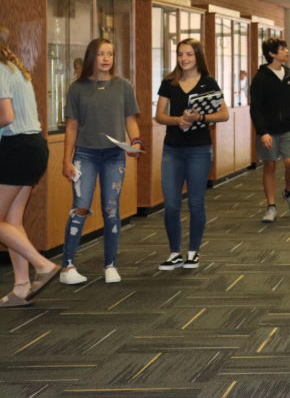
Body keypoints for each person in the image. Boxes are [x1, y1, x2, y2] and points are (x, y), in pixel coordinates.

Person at [60, 38, 143, 285]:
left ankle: (110, 265)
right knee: (81, 206)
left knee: (111, 209)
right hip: (85, 155)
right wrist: (66, 161)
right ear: (91, 58)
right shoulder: (77, 88)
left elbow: (130, 119)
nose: (106, 58)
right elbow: (71, 127)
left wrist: (136, 142)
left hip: (114, 155)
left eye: (110, 54)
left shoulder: (123, 86)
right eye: (101, 54)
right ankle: (67, 266)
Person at [154, 38, 229, 271]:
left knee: (196, 203)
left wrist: (201, 118)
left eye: (188, 54)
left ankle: (193, 252)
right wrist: (178, 120)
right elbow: (159, 115)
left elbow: (224, 114)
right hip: (172, 150)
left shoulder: (208, 83)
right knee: (172, 204)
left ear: (197, 57)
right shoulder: (169, 82)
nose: (183, 59)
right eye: (180, 54)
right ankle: (174, 252)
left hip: (199, 149)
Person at [0, 26, 60, 307]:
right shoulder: (12, 67)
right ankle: (22, 287)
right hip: (32, 145)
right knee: (11, 222)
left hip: (17, 148)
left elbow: (6, 116)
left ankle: (42, 265)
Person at [250, 37, 290, 223]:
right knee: (270, 166)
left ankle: (289, 192)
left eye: (286, 48)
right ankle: (271, 207)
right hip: (268, 131)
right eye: (282, 48)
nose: (286, 51)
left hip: (287, 129)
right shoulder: (261, 78)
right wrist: (263, 131)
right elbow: (255, 107)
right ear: (272, 54)